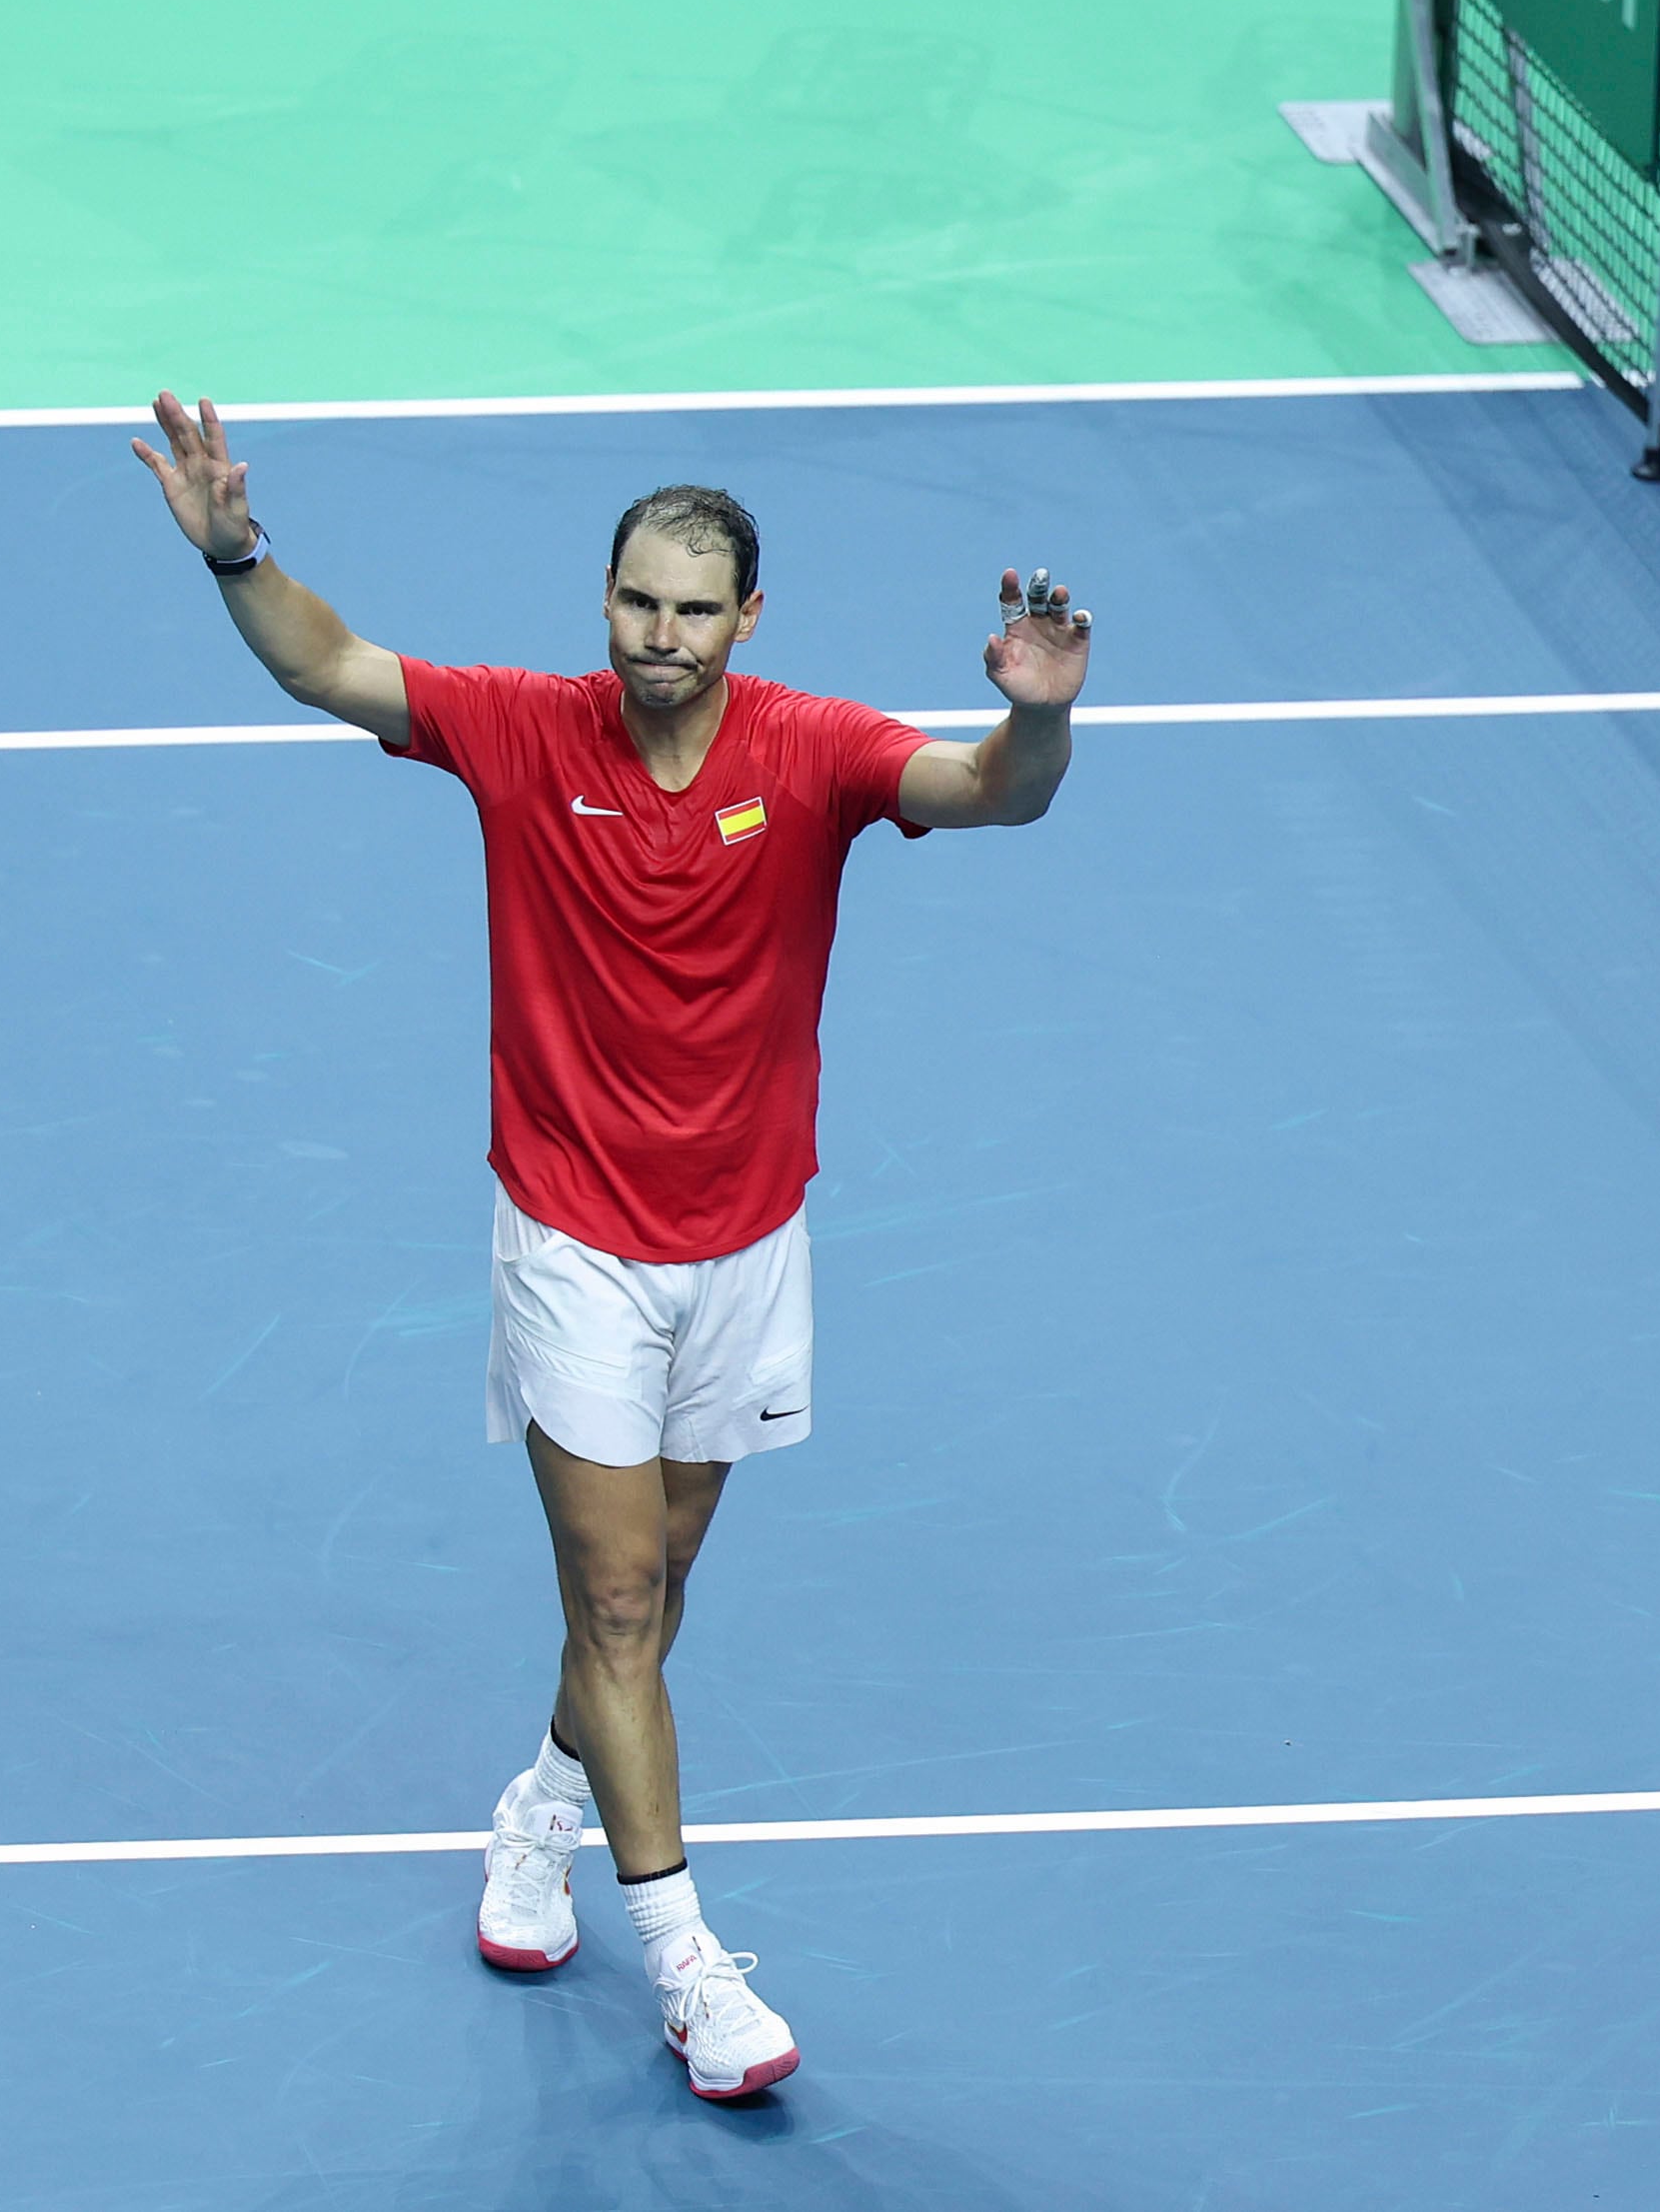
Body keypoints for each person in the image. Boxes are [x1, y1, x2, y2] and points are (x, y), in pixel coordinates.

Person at [131, 392, 1086, 2103]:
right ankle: (691, 1963)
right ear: (604, 598)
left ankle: (544, 1805)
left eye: (695, 611)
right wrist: (237, 554)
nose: (662, 637)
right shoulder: (521, 729)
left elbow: (987, 793)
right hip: (572, 1232)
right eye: (638, 602)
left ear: (749, 623)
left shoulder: (811, 750)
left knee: (660, 1577)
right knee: (623, 1593)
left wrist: (1036, 727)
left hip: (747, 1239)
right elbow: (330, 666)